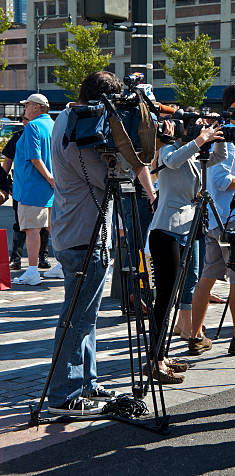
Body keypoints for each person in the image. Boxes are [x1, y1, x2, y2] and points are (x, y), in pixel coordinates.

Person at [47, 71, 125, 417]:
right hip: (85, 236)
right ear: (101, 103)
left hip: (75, 231)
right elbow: (113, 177)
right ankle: (65, 392)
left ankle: (86, 381)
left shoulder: (66, 116)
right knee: (77, 318)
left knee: (85, 317)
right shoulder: (80, 131)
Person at [148, 116, 226, 383]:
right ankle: (154, 359)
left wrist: (220, 137)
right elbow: (171, 162)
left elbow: (218, 159)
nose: (202, 129)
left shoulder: (194, 157)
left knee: (181, 288)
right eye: (198, 125)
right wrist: (199, 140)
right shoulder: (169, 150)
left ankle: (163, 355)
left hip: (188, 230)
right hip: (166, 231)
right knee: (166, 297)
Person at [189, 82, 235, 356]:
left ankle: (196, 336)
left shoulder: (231, 135)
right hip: (233, 217)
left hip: (219, 217)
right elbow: (219, 179)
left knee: (207, 276)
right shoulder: (226, 136)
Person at [11, 94, 54, 287]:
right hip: (51, 188)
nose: (25, 108)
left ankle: (32, 271)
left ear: (36, 107)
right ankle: (61, 264)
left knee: (32, 230)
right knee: (53, 227)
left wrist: (49, 178)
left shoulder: (32, 127)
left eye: (27, 105)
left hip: (32, 187)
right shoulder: (53, 125)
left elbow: (35, 158)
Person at [2, 115, 52, 273]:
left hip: (36, 187)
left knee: (41, 227)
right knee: (21, 225)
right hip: (23, 187)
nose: (24, 120)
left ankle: (41, 259)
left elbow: (36, 158)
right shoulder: (18, 136)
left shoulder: (39, 131)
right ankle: (16, 259)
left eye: (26, 117)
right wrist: (4, 182)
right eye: (23, 118)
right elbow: (7, 161)